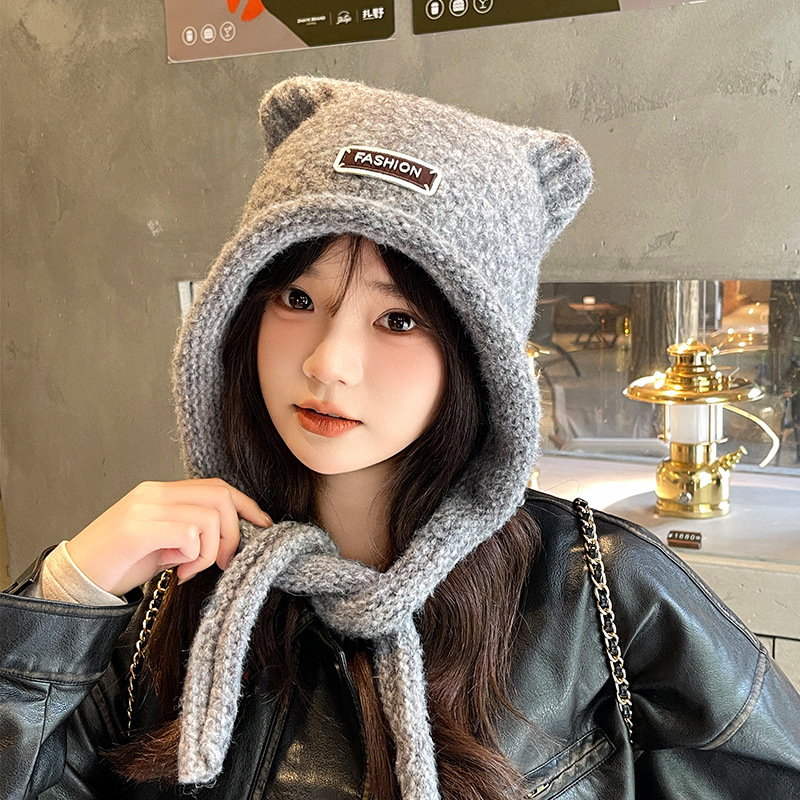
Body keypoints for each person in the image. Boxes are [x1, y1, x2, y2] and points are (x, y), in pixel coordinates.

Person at [2, 76, 799, 800]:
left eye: (397, 318)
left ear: (477, 357)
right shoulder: (172, 583)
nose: (327, 363)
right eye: (296, 298)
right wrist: (66, 591)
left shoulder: (598, 590)